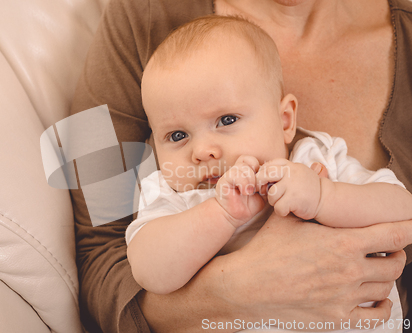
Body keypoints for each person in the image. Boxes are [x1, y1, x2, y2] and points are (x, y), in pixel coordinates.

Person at [71, 0, 412, 332]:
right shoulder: (175, 197)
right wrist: (222, 224)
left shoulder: (316, 160)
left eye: (227, 119)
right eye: (177, 135)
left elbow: (402, 206)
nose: (203, 150)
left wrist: (325, 197)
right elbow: (123, 262)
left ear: (285, 120)